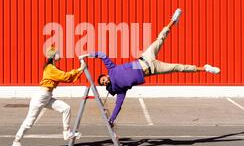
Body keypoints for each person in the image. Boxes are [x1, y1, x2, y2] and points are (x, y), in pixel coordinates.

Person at [83, 9, 221, 127]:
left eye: (103, 79)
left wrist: (87, 55)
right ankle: (205, 68)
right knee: (178, 67)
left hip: (145, 57)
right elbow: (119, 105)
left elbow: (102, 55)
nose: (104, 81)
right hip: (153, 69)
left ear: (106, 75)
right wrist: (111, 119)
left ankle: (173, 21)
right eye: (103, 83)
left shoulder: (111, 69)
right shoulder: (120, 89)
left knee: (160, 39)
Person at [11, 47, 85, 146]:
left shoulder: (53, 67)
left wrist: (80, 70)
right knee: (30, 121)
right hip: (41, 96)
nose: (60, 54)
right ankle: (16, 142)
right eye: (58, 53)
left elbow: (68, 78)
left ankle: (66, 132)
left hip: (47, 96)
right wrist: (79, 69)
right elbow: (65, 76)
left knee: (66, 108)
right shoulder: (50, 68)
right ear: (53, 56)